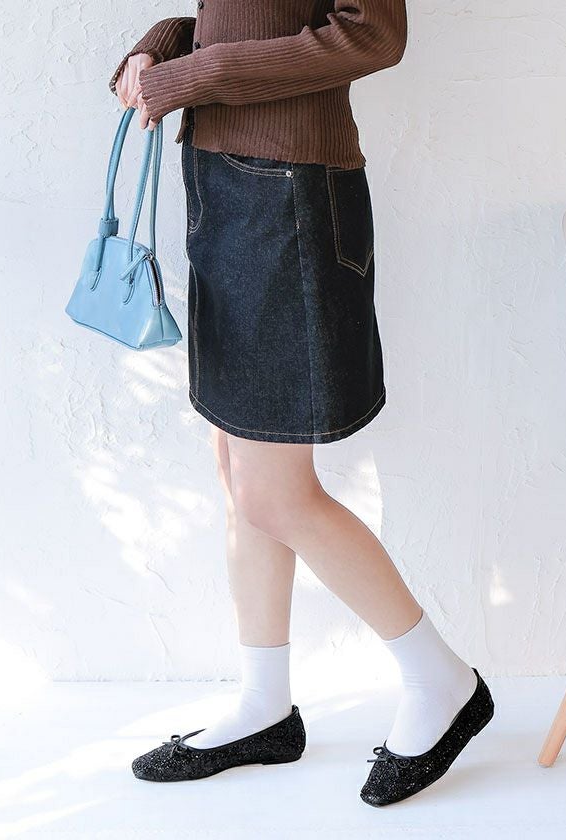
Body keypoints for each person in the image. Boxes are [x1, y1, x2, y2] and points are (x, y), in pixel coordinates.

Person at [109, 1, 494, 807]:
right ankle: (265, 708)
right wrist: (161, 47)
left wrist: (192, 76)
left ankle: (441, 680)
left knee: (273, 493)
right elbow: (245, 16)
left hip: (286, 193)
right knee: (237, 466)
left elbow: (371, 32)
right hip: (224, 182)